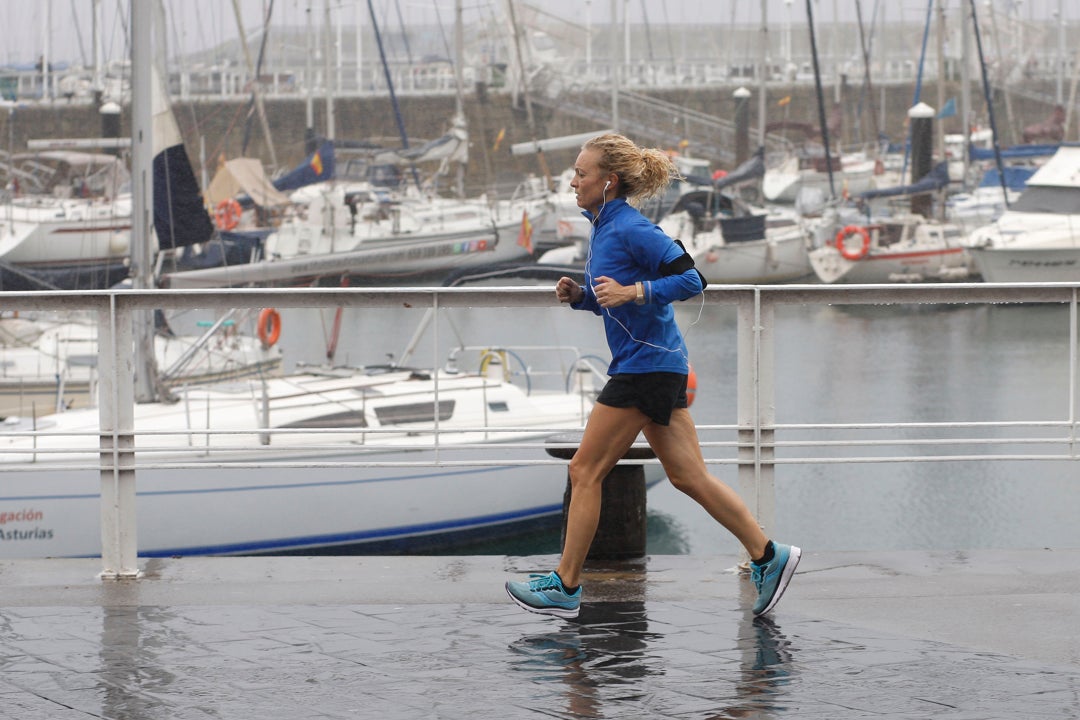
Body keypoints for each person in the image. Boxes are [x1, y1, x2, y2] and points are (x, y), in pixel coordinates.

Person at [505, 133, 799, 619]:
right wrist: (581, 296)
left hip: (646, 367)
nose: (572, 181)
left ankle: (566, 585)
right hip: (656, 364)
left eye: (582, 173)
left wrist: (634, 291)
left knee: (584, 469)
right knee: (688, 477)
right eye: (574, 173)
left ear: (609, 181)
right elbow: (613, 296)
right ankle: (770, 555)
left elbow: (692, 278)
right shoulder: (603, 227)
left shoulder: (630, 227)